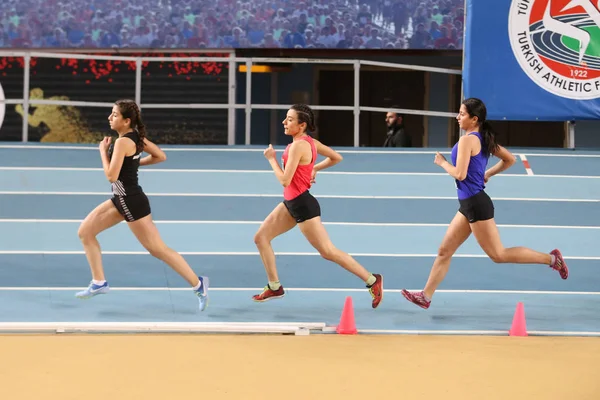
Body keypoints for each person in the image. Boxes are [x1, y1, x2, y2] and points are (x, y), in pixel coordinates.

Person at [401, 97, 569, 310]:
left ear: (474, 119)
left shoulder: (467, 140)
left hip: (476, 205)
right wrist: (486, 173)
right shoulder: (484, 138)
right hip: (468, 205)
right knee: (444, 250)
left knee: (499, 255)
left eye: (461, 114)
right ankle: (426, 296)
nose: (457, 117)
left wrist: (443, 162)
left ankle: (552, 259)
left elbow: (460, 174)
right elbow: (510, 159)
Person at [75, 99, 209, 311]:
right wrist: (134, 163)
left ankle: (198, 283)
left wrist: (102, 151)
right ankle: (99, 282)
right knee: (85, 232)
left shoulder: (121, 142)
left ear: (127, 121)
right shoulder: (136, 137)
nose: (110, 118)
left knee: (158, 250)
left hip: (131, 202)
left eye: (115, 115)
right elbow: (160, 156)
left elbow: (111, 176)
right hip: (121, 199)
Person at [251, 104, 384, 308]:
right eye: (286, 118)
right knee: (261, 238)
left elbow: (285, 180)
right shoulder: (309, 142)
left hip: (303, 205)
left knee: (328, 251)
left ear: (302, 125)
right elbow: (336, 157)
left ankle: (373, 281)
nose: (284, 122)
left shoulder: (297, 146)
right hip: (291, 203)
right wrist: (314, 169)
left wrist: (271, 160)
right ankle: (274, 286)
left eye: (289, 119)